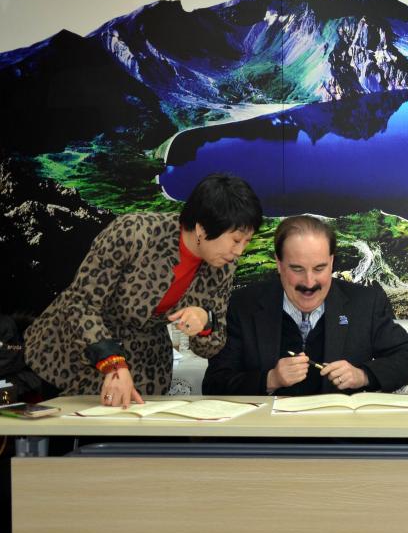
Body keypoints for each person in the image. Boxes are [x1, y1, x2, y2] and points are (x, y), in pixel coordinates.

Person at [24, 174, 264, 406]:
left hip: (144, 363)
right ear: (202, 228)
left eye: (247, 241)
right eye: (236, 240)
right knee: (62, 428)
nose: (239, 251)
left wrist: (205, 322)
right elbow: (80, 304)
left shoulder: (223, 266)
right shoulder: (135, 232)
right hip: (73, 350)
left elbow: (212, 346)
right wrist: (113, 363)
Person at [203, 215, 408, 396]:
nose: (309, 282)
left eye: (319, 268)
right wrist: (270, 379)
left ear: (331, 262)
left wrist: (363, 375)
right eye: (297, 269)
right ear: (279, 264)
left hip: (339, 437)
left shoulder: (364, 304)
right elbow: (214, 383)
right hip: (269, 437)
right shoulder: (243, 305)